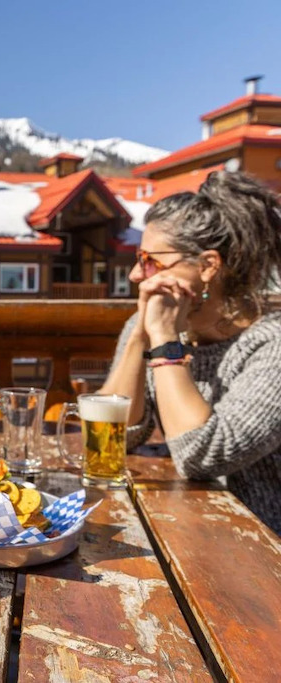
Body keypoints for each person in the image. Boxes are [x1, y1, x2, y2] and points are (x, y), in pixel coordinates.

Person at [100, 170, 281, 534]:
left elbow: (201, 454)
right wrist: (139, 336)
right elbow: (111, 437)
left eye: (150, 260)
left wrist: (165, 340)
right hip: (191, 529)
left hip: (263, 547)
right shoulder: (155, 324)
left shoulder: (272, 345)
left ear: (208, 266)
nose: (136, 274)